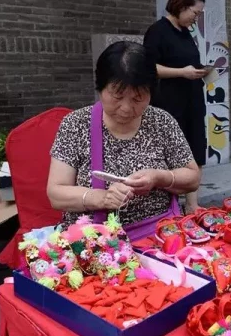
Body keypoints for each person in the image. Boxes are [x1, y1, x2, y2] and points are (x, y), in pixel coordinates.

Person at [47, 41, 200, 240]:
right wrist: (101, 198)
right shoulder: (76, 124)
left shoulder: (162, 122)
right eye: (117, 96)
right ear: (100, 88)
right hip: (94, 243)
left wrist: (158, 178)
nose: (126, 108)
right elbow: (56, 193)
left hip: (158, 237)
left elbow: (193, 178)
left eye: (137, 99)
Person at [143, 0, 207, 214]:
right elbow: (148, 67)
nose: (195, 19)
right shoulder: (157, 31)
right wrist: (182, 72)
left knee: (196, 149)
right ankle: (167, 206)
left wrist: (200, 72)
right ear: (181, 6)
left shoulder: (186, 33)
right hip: (169, 102)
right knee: (170, 154)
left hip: (193, 99)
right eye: (195, 13)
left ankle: (192, 204)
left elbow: (189, 62)